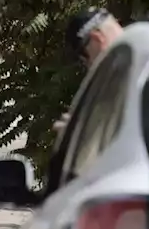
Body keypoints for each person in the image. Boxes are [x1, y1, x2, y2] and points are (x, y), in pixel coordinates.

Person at [53, 8, 125, 137]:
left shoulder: (126, 76)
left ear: (97, 39)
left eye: (84, 59)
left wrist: (82, 135)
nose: (89, 66)